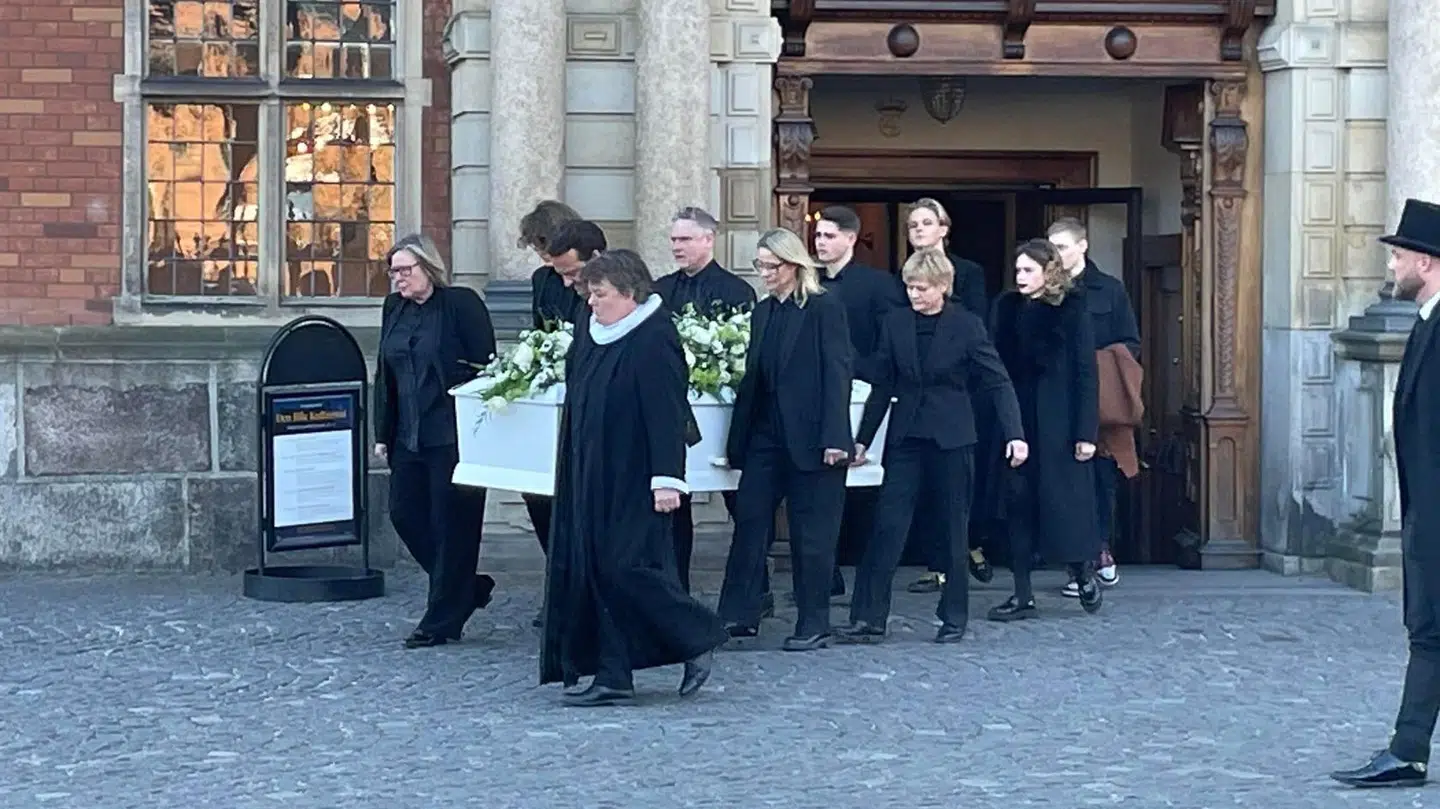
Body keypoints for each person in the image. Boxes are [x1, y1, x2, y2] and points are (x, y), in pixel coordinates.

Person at [538, 249, 727, 707]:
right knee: (595, 571)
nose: (591, 303)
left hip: (636, 474)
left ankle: (698, 634)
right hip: (590, 469)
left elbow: (666, 413)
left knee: (626, 569)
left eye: (600, 294)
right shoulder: (590, 328)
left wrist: (667, 478)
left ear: (629, 293)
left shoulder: (654, 337)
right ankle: (613, 672)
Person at [838, 248, 1026, 645]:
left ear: (943, 286)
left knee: (952, 528)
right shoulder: (895, 323)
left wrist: (1015, 433)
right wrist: (862, 440)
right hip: (906, 437)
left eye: (921, 288)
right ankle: (869, 617)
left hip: (952, 437)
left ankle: (953, 616)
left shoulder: (967, 325)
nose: (914, 295)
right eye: (909, 287)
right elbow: (883, 386)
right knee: (887, 526)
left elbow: (998, 381)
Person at [1330, 199, 1440, 788]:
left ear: (1425, 260)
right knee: (1428, 634)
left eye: (1398, 255)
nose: (1392, 266)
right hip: (1427, 516)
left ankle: (1408, 750)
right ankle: (1409, 750)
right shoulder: (1427, 321)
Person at [716, 227, 854, 652]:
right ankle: (739, 613)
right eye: (759, 266)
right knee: (749, 522)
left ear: (793, 266)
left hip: (814, 438)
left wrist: (837, 437)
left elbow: (838, 371)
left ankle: (814, 622)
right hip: (766, 436)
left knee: (811, 535)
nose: (764, 274)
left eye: (770, 266)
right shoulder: (763, 312)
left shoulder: (823, 308)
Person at [373, 234, 498, 648]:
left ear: (429, 267)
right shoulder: (395, 308)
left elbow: (485, 365)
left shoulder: (461, 303)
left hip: (452, 433)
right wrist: (381, 432)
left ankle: (441, 620)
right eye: (393, 271)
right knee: (404, 514)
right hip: (407, 433)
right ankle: (465, 588)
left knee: (454, 527)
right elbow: (383, 373)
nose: (398, 279)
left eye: (405, 270)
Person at [985, 239, 1103, 621]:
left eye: (1028, 270)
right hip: (1015, 418)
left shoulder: (1072, 311)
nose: (1020, 278)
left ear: (1047, 272)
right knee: (1016, 505)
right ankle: (1022, 594)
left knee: (1063, 506)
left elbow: (1087, 374)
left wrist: (1086, 431)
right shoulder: (1006, 310)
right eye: (1017, 270)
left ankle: (1082, 570)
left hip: (1059, 422)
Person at [651, 206, 757, 593]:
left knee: (740, 505)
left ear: (709, 240)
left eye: (685, 239)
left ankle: (753, 588)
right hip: (675, 414)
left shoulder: (736, 291)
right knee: (673, 500)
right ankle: (674, 587)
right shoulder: (661, 289)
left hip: (722, 416)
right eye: (674, 239)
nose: (676, 247)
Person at [902, 197, 997, 594]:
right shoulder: (904, 277)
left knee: (959, 481)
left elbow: (977, 326)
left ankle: (966, 547)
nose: (919, 230)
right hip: (918, 395)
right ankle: (935, 560)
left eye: (926, 223)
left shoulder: (969, 273)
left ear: (944, 228)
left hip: (961, 391)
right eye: (912, 225)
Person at [813, 205, 907, 598]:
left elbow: (892, 341)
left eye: (829, 236)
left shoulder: (877, 285)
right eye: (818, 236)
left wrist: (860, 367)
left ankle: (868, 572)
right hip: (819, 394)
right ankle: (826, 569)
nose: (821, 243)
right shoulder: (811, 282)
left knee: (864, 483)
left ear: (851, 238)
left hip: (866, 392)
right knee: (819, 483)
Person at [518, 209, 604, 628]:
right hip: (554, 397)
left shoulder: (611, 283)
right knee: (539, 493)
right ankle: (561, 582)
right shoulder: (542, 282)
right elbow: (539, 329)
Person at [1048, 218, 1140, 593]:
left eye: (1064, 247)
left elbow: (1130, 342)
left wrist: (1103, 365)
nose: (1058, 255)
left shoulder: (1110, 290)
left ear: (1083, 246)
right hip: (1059, 399)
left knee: (1102, 478)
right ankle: (1076, 560)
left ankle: (1100, 548)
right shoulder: (1047, 291)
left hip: (1100, 401)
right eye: (1052, 249)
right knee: (1066, 479)